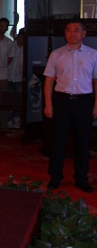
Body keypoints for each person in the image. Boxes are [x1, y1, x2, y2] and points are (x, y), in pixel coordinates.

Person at [43, 20, 97, 193]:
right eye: (68, 30)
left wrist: (96, 106)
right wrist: (48, 104)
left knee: (83, 142)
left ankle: (81, 178)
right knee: (58, 141)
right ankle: (55, 177)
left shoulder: (93, 55)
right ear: (65, 33)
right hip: (62, 101)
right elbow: (49, 81)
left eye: (76, 30)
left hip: (84, 102)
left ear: (84, 34)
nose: (72, 33)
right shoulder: (57, 54)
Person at [7, 28, 26, 128]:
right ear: (18, 36)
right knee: (7, 100)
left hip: (19, 78)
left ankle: (17, 120)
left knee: (18, 100)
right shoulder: (11, 45)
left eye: (24, 37)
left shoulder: (27, 48)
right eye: (21, 36)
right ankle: (8, 120)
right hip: (7, 76)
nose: (21, 39)